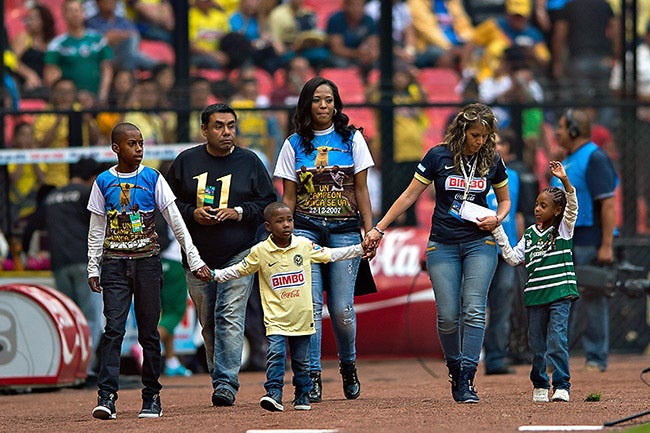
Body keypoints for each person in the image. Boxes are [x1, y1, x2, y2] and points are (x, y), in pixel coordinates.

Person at [364, 103, 510, 403]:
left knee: (474, 308)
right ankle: (455, 367)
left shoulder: (492, 160)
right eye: (474, 135)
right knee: (447, 316)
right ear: (461, 131)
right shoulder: (438, 156)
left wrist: (498, 217)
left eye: (484, 136)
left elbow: (504, 201)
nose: (479, 141)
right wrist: (379, 228)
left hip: (479, 242)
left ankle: (468, 377)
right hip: (442, 243)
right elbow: (409, 195)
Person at [87, 122, 212, 420]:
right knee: (113, 329)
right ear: (116, 148)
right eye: (132, 144)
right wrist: (94, 265)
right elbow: (96, 228)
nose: (139, 149)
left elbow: (176, 223)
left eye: (141, 143)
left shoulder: (153, 179)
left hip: (147, 263)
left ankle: (151, 396)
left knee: (149, 333)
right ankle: (107, 396)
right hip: (114, 264)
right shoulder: (103, 182)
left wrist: (193, 259)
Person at [165, 103, 276, 407]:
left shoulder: (250, 162)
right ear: (204, 130)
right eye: (219, 126)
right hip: (196, 257)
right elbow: (169, 206)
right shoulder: (186, 162)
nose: (227, 132)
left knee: (229, 315)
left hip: (239, 254)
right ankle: (220, 378)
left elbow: (268, 204)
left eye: (231, 125)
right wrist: (193, 213)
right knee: (209, 321)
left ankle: (226, 382)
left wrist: (238, 212)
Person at [212, 201, 370, 412]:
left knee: (302, 362)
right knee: (275, 356)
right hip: (276, 320)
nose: (286, 225)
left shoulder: (304, 245)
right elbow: (240, 269)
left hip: (302, 319)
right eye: (280, 221)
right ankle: (274, 393)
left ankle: (302, 395)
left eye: (290, 220)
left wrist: (360, 248)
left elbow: (331, 254)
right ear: (268, 226)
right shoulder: (260, 251)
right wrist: (216, 275)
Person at [273, 76, 375, 403]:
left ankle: (348, 365)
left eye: (329, 100)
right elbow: (288, 196)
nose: (323, 106)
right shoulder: (293, 144)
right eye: (317, 100)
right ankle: (311, 376)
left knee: (343, 309)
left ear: (336, 105)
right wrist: (283, 236)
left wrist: (370, 232)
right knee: (311, 307)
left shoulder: (353, 140)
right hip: (305, 230)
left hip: (345, 230)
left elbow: (361, 190)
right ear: (307, 104)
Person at [492, 160, 579, 403]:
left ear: (557, 210)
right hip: (535, 298)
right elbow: (511, 257)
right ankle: (540, 384)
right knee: (537, 344)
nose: (538, 209)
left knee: (557, 339)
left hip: (560, 293)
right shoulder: (529, 234)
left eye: (544, 206)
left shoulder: (563, 229)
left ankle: (562, 385)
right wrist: (497, 228)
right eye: (537, 205)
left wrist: (564, 181)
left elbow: (572, 208)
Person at [21, 157, 105, 383]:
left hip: (59, 264)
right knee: (91, 318)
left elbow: (29, 228)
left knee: (70, 317)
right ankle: (84, 369)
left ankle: (70, 368)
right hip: (86, 263)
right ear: (92, 177)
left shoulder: (52, 197)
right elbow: (101, 223)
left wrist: (24, 254)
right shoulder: (87, 194)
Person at [550, 108, 618, 373]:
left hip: (589, 237)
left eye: (561, 127)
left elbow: (608, 204)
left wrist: (606, 245)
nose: (556, 132)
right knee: (562, 297)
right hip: (569, 237)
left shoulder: (595, 157)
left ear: (575, 130)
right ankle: (558, 356)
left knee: (593, 297)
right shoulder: (570, 159)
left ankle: (596, 357)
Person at [44, 0, 113, 106]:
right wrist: (73, 95)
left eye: (77, 10)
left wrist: (102, 96)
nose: (75, 14)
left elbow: (107, 68)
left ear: (84, 12)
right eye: (70, 11)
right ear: (64, 15)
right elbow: (50, 74)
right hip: (70, 103)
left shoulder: (98, 39)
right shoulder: (57, 44)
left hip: (97, 100)